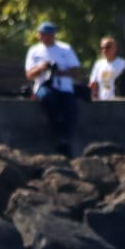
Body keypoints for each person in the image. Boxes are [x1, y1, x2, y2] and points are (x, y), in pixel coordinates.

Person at [25, 20, 82, 155]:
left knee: (71, 108)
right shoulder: (34, 51)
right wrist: (42, 68)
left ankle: (65, 139)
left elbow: (75, 71)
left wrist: (59, 71)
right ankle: (56, 131)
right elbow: (29, 74)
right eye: (44, 34)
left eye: (50, 34)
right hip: (44, 86)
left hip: (63, 88)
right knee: (47, 98)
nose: (47, 36)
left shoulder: (65, 49)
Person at [88, 36, 125, 101]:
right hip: (102, 101)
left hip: (118, 101)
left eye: (107, 47)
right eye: (102, 48)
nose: (104, 50)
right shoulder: (98, 64)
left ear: (114, 48)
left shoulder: (123, 63)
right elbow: (93, 84)